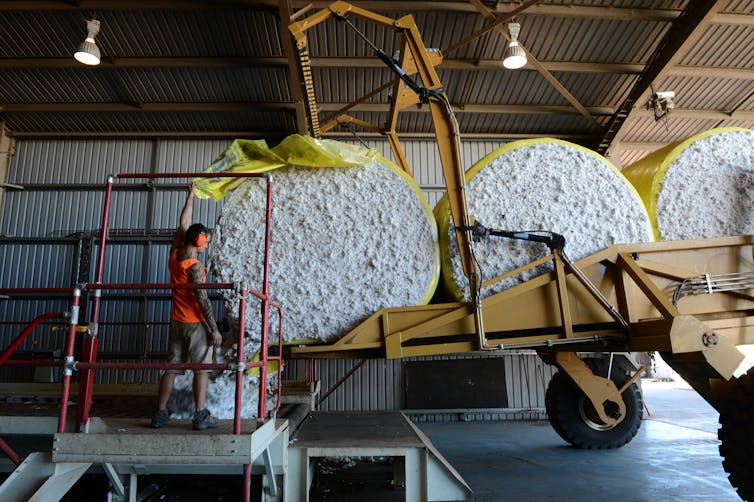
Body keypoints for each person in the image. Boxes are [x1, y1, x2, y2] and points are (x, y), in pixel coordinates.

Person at [151, 182, 223, 430]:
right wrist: (213, 328)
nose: (207, 245)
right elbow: (201, 299)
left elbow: (184, 223)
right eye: (207, 241)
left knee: (172, 368)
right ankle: (200, 415)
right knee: (201, 370)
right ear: (200, 241)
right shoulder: (193, 267)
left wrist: (190, 195)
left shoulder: (175, 253)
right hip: (194, 324)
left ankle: (159, 413)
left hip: (176, 321)